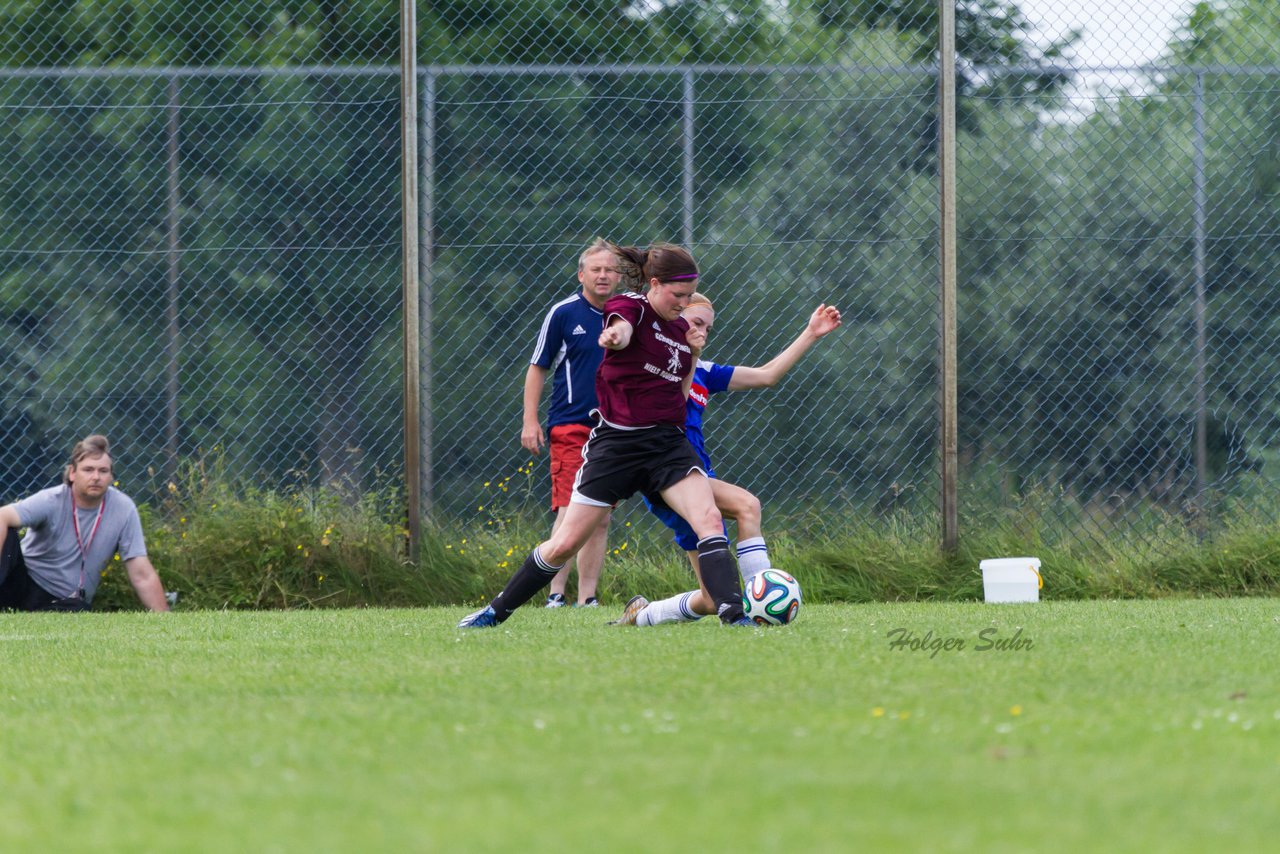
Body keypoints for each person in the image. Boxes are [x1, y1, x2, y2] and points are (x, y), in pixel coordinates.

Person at [460, 242, 751, 628]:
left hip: (667, 446)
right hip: (617, 446)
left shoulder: (681, 331)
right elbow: (622, 327)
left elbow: (678, 401)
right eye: (677, 295)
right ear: (655, 283)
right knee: (565, 543)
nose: (684, 304)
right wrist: (616, 336)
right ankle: (496, 611)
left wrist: (693, 355)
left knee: (710, 520)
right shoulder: (630, 306)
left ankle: (736, 616)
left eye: (688, 296)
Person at [617, 296, 842, 626]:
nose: (703, 333)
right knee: (747, 505)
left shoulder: (706, 372)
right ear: (671, 321)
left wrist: (811, 332)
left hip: (697, 477)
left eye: (708, 328)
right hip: (669, 479)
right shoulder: (653, 369)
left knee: (711, 599)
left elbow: (767, 375)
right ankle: (757, 608)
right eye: (695, 323)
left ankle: (642, 615)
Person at [521, 239, 621, 608]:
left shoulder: (626, 315)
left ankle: (587, 597)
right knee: (570, 512)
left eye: (610, 269)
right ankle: (555, 595)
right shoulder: (563, 313)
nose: (603, 275)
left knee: (600, 518)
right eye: (596, 269)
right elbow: (538, 367)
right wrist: (530, 421)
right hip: (570, 426)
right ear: (582, 274)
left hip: (612, 431)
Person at [0, 434, 170, 612]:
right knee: (8, 532)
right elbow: (2, 516)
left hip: (63, 600)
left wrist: (165, 621)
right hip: (23, 583)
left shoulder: (124, 509)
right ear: (72, 473)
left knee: (78, 609)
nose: (96, 477)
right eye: (88, 470)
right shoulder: (51, 500)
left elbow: (141, 573)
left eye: (103, 471)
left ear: (111, 476)